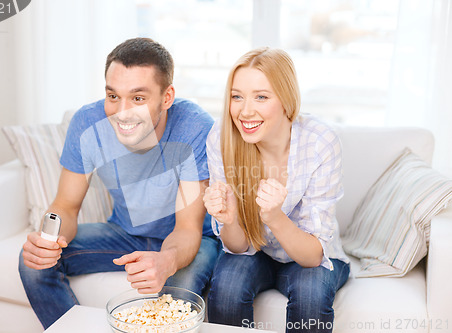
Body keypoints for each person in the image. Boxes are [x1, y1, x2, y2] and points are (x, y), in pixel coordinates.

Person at [19, 37, 220, 329]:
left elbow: (187, 228)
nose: (122, 112)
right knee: (33, 264)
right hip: (125, 233)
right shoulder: (87, 124)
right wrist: (48, 241)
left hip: (194, 239)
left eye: (138, 98)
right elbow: (65, 205)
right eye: (113, 96)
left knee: (178, 292)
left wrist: (166, 260)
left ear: (167, 97)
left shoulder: (195, 127)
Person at [203, 47, 350, 333]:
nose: (245, 111)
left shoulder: (320, 141)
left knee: (311, 294)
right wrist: (229, 219)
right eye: (237, 96)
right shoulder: (222, 137)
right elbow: (237, 246)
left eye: (261, 96)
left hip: (307, 253)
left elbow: (312, 258)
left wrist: (273, 216)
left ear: (286, 100)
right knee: (228, 288)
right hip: (255, 251)